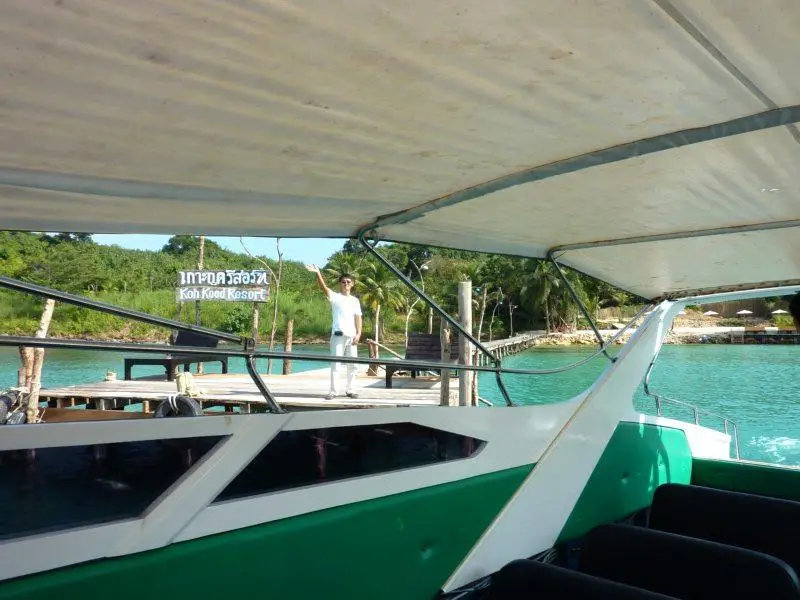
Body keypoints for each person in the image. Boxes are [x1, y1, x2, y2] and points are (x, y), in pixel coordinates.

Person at [305, 265, 363, 399]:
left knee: (353, 366)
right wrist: (318, 273)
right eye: (343, 282)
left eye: (348, 282)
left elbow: (358, 317)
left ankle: (351, 390)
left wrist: (359, 333)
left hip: (352, 337)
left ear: (352, 284)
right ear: (340, 284)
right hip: (338, 336)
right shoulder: (335, 297)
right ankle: (334, 392)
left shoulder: (355, 300)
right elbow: (323, 287)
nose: (346, 284)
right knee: (336, 365)